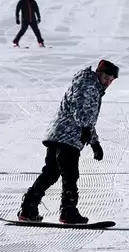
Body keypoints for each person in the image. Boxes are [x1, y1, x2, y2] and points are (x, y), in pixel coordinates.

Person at [18, 60, 119, 224]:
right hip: (68, 136)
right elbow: (79, 109)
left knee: (50, 173)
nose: (108, 82)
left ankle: (28, 208)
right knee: (70, 174)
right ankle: (68, 212)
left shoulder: (89, 84)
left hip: (58, 134)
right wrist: (86, 129)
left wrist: (94, 142)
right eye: (106, 77)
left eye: (111, 80)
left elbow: (86, 117)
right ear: (99, 74)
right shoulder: (88, 85)